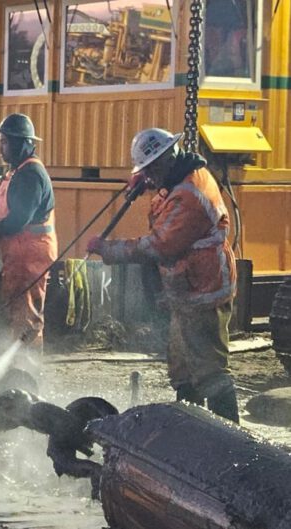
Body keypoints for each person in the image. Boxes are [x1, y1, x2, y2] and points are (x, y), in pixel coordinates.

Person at [86, 128, 239, 423]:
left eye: (151, 169)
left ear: (168, 159)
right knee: (182, 371)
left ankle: (234, 442)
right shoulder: (178, 179)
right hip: (187, 292)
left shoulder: (190, 194)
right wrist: (149, 185)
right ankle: (190, 430)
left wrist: (110, 250)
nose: (149, 175)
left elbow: (160, 244)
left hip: (203, 291)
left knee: (210, 371)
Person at [0, 113, 57, 350]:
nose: (1, 148)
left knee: (27, 315)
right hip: (20, 253)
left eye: (5, 142)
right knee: (18, 311)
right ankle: (17, 364)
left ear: (23, 143)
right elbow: (7, 210)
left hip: (30, 255)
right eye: (0, 142)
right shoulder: (17, 171)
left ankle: (26, 370)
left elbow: (18, 219)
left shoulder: (30, 174)